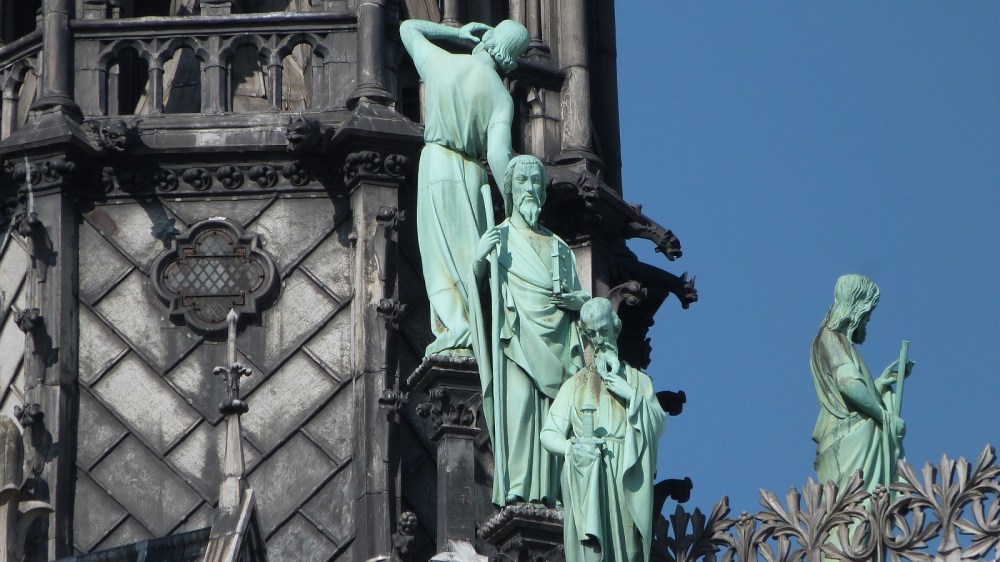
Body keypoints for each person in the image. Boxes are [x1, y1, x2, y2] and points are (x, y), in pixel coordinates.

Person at [400, 17, 529, 357]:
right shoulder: (501, 97)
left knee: (439, 256)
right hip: (472, 172)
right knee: (466, 255)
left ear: (486, 40)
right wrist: (513, 206)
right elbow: (499, 156)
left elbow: (408, 29)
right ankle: (468, 325)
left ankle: (456, 325)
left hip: (437, 163)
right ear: (509, 61)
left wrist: (456, 33)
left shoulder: (442, 62)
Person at [472, 155, 589, 505]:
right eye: (522, 181)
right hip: (517, 342)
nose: (530, 188)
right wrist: (479, 258)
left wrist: (578, 303)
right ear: (510, 190)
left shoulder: (560, 247)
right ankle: (520, 485)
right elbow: (475, 299)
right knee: (520, 409)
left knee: (552, 416)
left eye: (536, 181)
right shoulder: (500, 238)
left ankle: (550, 492)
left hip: (557, 345)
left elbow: (579, 299)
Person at [540, 297, 665, 562]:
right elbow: (548, 434)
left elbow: (657, 424)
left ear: (616, 329)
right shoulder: (575, 385)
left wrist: (631, 395)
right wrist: (572, 448)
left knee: (629, 552)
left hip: (626, 470)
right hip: (588, 475)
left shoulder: (638, 381)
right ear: (585, 334)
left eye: (604, 331)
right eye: (593, 333)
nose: (599, 339)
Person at [810, 274, 911, 493]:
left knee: (865, 511)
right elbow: (847, 384)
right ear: (857, 308)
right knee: (859, 511)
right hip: (852, 439)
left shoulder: (835, 338)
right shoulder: (832, 337)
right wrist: (884, 416)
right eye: (868, 313)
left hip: (851, 435)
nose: (868, 320)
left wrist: (879, 385)